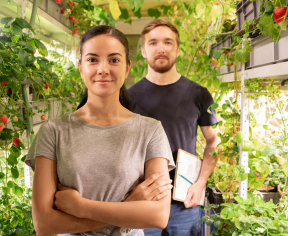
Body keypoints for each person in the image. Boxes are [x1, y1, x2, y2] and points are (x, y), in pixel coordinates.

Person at [25, 25, 176, 236]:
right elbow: (43, 224)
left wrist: (80, 207)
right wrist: (130, 205)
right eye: (92, 59)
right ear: (80, 67)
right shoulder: (54, 132)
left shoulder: (150, 130)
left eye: (114, 60)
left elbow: (157, 216)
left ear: (127, 67)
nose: (103, 69)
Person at [127, 19, 221, 236]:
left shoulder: (200, 95)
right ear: (143, 50)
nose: (161, 48)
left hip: (184, 199)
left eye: (168, 42)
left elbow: (213, 141)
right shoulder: (129, 98)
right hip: (143, 201)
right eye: (153, 43)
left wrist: (200, 183)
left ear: (178, 50)